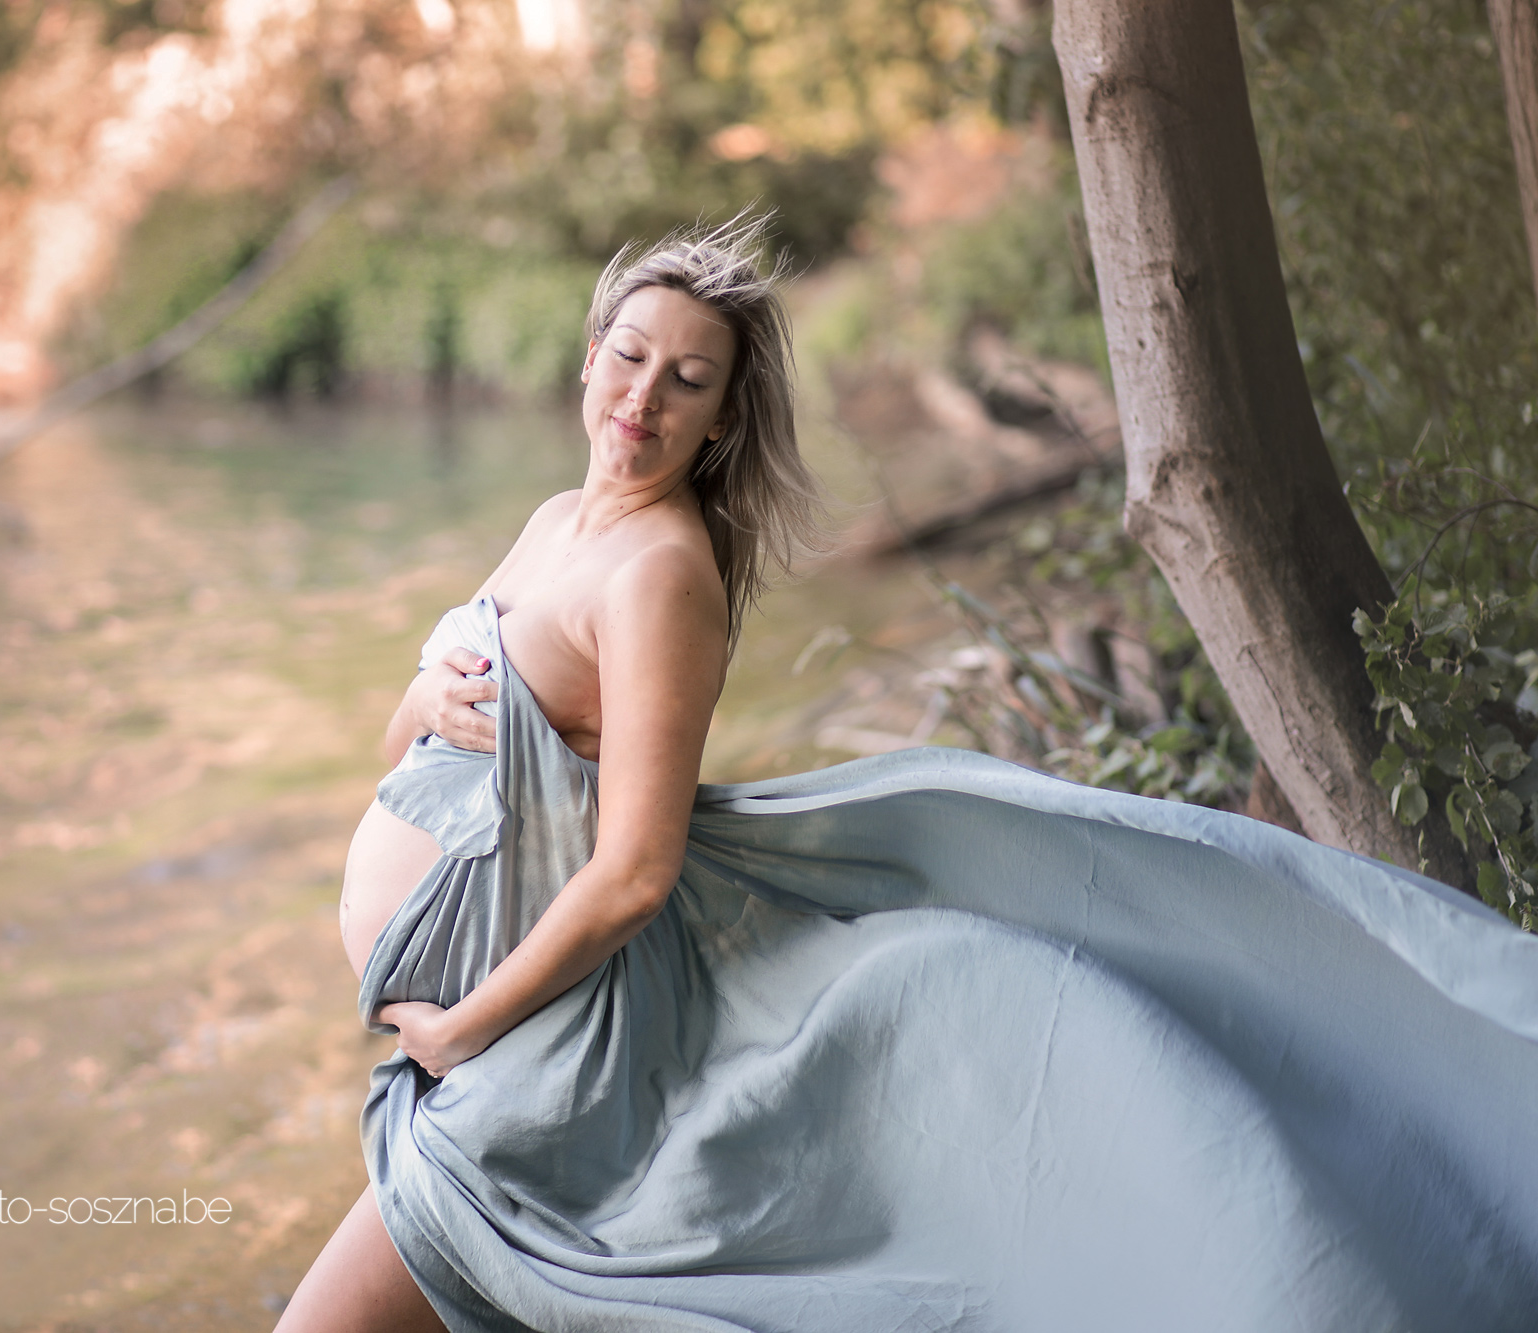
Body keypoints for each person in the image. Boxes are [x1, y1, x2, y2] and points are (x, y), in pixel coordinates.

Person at [278, 219, 1538, 1333]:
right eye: (627, 354)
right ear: (590, 351)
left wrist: (468, 1022)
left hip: (540, 1052)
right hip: (475, 1040)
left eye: (685, 378)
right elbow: (415, 756)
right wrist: (422, 686)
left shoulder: (658, 576)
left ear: (720, 417)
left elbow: (635, 870)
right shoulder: (558, 519)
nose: (640, 395)